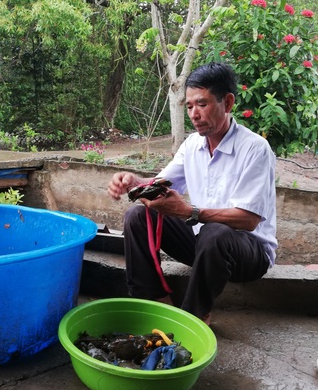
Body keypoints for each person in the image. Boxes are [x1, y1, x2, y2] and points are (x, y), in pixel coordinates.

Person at [107, 62, 277, 325]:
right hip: (203, 246)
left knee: (215, 231)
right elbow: (161, 183)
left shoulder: (255, 148)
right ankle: (153, 301)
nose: (194, 114)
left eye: (202, 104)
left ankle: (194, 318)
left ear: (228, 103)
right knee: (137, 216)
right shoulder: (192, 145)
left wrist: (191, 212)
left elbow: (249, 220)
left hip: (248, 254)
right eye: (189, 106)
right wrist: (134, 182)